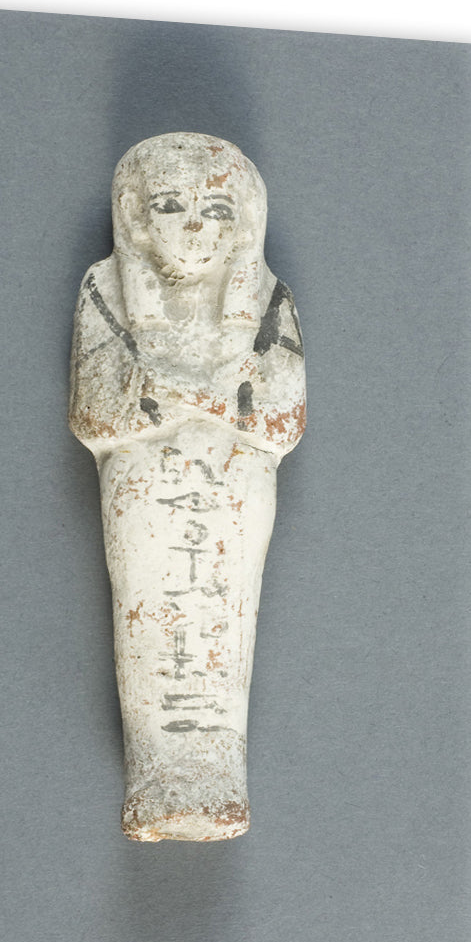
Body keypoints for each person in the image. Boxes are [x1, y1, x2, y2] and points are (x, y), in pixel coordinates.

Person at [69, 132, 306, 840]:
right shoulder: (105, 287)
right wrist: (210, 396)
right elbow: (94, 415)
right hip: (143, 485)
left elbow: (283, 420)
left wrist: (177, 395)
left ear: (244, 225)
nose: (196, 226)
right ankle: (156, 779)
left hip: (235, 484)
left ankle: (218, 780)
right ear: (136, 218)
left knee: (222, 620)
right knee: (154, 617)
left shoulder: (266, 296)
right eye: (171, 205)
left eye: (217, 210)